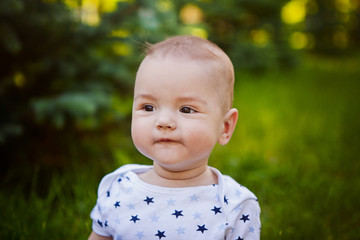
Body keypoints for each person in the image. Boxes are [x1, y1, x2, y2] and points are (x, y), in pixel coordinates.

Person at [88, 35, 261, 240]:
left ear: (225, 127)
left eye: (186, 109)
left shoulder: (234, 205)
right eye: (148, 107)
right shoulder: (118, 188)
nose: (163, 121)